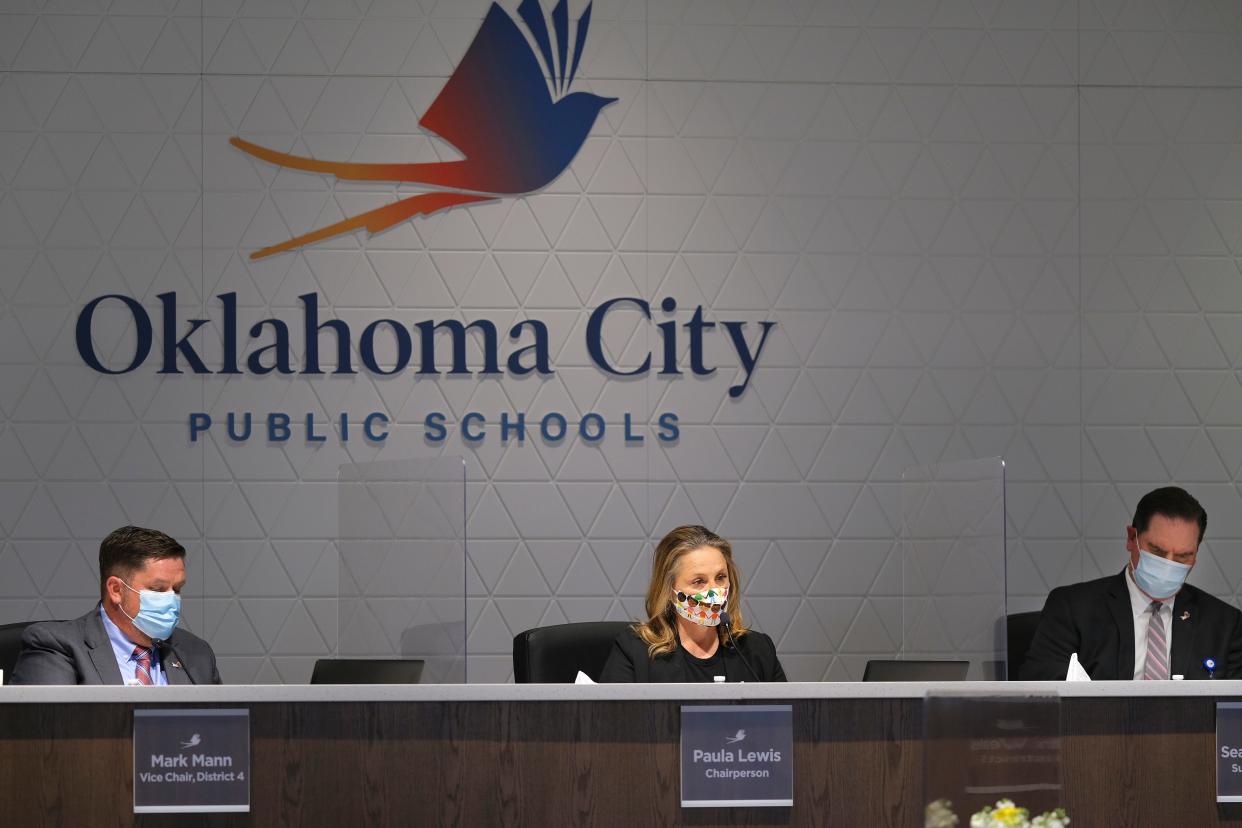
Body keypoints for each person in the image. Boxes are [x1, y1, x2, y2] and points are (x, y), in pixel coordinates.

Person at [1021, 486, 1242, 680]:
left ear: (1196, 555)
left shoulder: (1225, 624)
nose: (1168, 564)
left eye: (1183, 556)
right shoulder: (1072, 609)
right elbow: (1042, 695)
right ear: (1131, 538)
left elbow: (1233, 714)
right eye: (1157, 551)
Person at [10, 526, 222, 685]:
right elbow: (51, 734)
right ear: (116, 590)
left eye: (176, 589)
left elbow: (221, 732)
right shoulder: (57, 646)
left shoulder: (197, 653)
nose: (171, 600)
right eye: (158, 589)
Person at [599, 525, 786, 682]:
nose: (714, 591)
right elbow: (613, 723)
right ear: (670, 591)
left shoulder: (756, 650)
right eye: (699, 581)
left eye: (720, 577)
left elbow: (788, 722)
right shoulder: (635, 651)